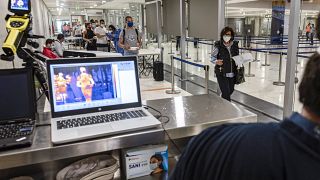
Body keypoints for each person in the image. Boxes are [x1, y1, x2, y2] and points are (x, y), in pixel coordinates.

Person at [171, 51, 320, 180]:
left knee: (228, 92)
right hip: (222, 72)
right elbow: (213, 58)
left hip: (231, 74)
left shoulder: (209, 142)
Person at [211, 27, 239, 101]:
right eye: (225, 34)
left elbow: (237, 57)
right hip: (221, 73)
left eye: (228, 34)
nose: (227, 36)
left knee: (231, 90)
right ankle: (227, 110)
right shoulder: (218, 45)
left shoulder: (235, 45)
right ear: (222, 35)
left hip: (232, 72)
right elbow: (212, 58)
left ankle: (222, 101)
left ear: (232, 36)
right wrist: (216, 61)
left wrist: (241, 60)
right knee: (226, 94)